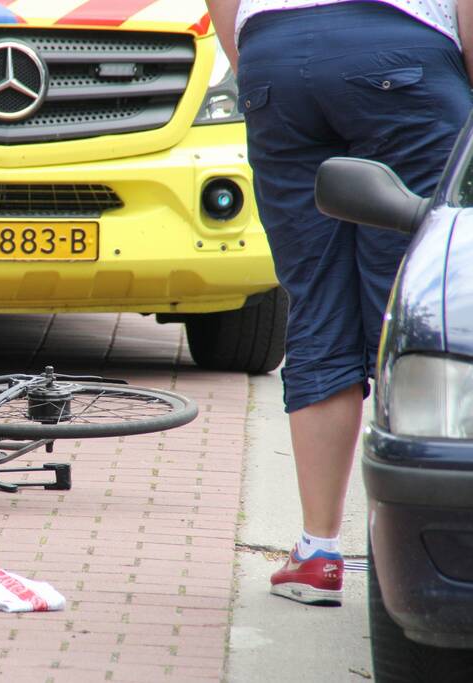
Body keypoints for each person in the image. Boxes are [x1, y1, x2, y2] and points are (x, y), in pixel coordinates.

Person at [204, 0, 473, 605]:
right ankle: (411, 548)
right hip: (401, 54)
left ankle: (318, 552)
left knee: (317, 302)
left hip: (274, 55)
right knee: (418, 303)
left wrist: (255, 66)